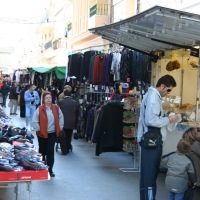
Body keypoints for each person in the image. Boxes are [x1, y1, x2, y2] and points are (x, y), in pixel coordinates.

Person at [137, 74, 179, 200]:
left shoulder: (152, 96)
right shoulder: (154, 97)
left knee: (146, 178)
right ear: (162, 86)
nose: (168, 93)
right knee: (150, 178)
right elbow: (151, 120)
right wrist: (168, 119)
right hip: (152, 143)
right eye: (169, 90)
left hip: (149, 142)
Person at [32, 91, 64, 177]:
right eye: (46, 98)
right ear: (44, 99)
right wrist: (38, 129)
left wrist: (60, 128)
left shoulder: (56, 108)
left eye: (49, 98)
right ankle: (42, 166)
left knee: (50, 151)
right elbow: (34, 120)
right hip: (41, 134)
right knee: (42, 151)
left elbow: (61, 117)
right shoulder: (39, 109)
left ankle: (50, 169)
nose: (48, 99)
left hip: (52, 133)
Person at [57, 85, 79, 154]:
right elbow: (77, 113)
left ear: (64, 94)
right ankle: (68, 146)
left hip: (62, 122)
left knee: (62, 135)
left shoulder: (60, 102)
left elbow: (57, 112)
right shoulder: (75, 102)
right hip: (71, 122)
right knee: (69, 135)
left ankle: (64, 148)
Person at [182, 127, 200, 200]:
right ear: (194, 134)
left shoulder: (185, 143)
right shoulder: (195, 145)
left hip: (188, 175)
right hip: (196, 176)